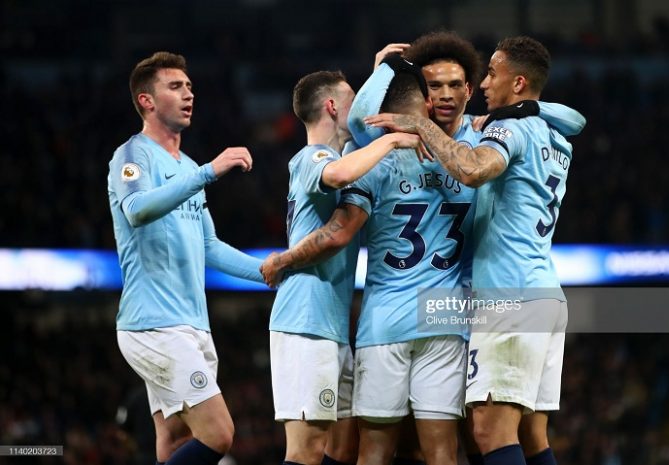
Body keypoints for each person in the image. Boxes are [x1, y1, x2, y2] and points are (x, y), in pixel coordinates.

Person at [352, 33, 585, 465]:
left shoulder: (502, 130)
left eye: (490, 75)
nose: (481, 87)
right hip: (544, 293)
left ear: (517, 84)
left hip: (507, 296)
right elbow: (571, 118)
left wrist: (419, 121)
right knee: (532, 435)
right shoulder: (553, 131)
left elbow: (475, 170)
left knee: (488, 431)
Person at [263, 65, 470, 465]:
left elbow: (341, 228)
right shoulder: (318, 157)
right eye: (354, 96)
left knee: (351, 449)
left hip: (364, 324)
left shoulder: (365, 161)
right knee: (310, 448)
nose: (363, 105)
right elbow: (340, 174)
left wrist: (282, 260)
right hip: (316, 320)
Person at [107, 51, 265, 465]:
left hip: (193, 324)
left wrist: (269, 271)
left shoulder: (189, 166)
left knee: (176, 441)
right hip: (154, 325)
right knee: (219, 434)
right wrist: (210, 171)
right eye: (175, 86)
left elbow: (209, 247)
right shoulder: (132, 155)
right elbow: (137, 209)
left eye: (189, 86)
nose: (188, 93)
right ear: (147, 100)